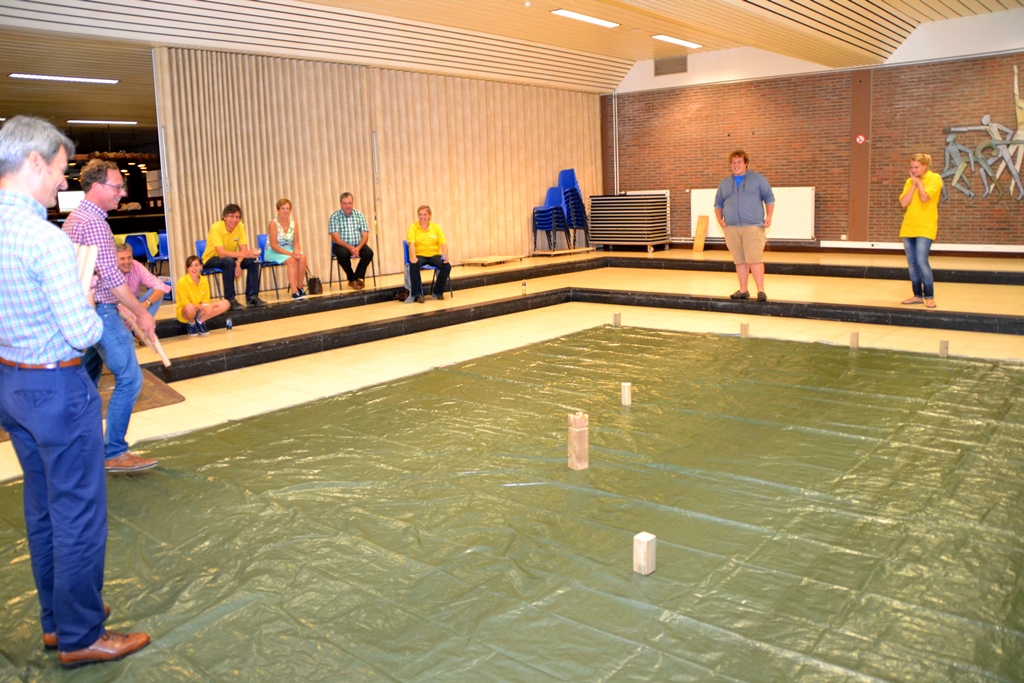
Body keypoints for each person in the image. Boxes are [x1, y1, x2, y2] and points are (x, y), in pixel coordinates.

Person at [0, 115, 150, 667]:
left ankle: (56, 620)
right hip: (56, 388)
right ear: (34, 162)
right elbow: (84, 332)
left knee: (42, 506)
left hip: (12, 381)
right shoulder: (44, 239)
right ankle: (82, 634)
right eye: (60, 171)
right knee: (78, 512)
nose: (63, 183)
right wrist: (85, 296)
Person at [63, 158, 158, 473]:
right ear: (96, 186)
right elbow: (112, 278)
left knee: (86, 383)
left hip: (85, 311)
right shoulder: (94, 223)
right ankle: (114, 451)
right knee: (130, 378)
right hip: (99, 312)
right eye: (117, 187)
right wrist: (140, 312)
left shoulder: (75, 219)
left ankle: (81, 448)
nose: (122, 193)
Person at [713, 150, 775, 302]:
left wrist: (769, 216)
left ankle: (761, 290)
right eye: (733, 162)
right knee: (739, 260)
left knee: (755, 259)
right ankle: (743, 290)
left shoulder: (758, 179)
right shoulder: (724, 183)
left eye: (739, 162)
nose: (736, 165)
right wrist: (719, 219)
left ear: (746, 163)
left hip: (753, 226)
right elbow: (718, 203)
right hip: (732, 228)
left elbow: (769, 198)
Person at [898, 153, 944, 309]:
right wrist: (913, 185)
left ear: (925, 166)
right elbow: (904, 203)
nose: (913, 170)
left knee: (921, 261)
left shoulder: (935, 178)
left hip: (925, 226)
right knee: (912, 263)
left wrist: (919, 182)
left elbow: (924, 198)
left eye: (916, 167)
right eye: (911, 167)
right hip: (909, 226)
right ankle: (917, 295)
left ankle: (929, 297)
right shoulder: (909, 181)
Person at [201, 204, 265, 310]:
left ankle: (252, 297)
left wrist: (238, 263)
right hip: (211, 258)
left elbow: (243, 249)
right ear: (224, 217)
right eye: (231, 216)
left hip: (231, 258)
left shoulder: (240, 226)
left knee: (254, 260)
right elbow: (221, 253)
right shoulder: (216, 227)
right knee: (229, 262)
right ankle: (230, 300)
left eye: (237, 217)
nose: (234, 220)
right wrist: (241, 256)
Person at [176, 255, 231, 336]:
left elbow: (206, 300)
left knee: (226, 303)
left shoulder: (204, 280)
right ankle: (191, 324)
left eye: (196, 265)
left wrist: (205, 306)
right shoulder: (182, 281)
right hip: (186, 312)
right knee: (189, 307)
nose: (194, 268)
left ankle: (200, 322)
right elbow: (185, 303)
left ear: (201, 267)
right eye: (191, 266)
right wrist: (202, 307)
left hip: (199, 309)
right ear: (186, 268)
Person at [328, 192, 373, 290]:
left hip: (358, 245)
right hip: (341, 245)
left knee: (368, 253)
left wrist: (358, 248)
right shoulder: (334, 217)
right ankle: (352, 278)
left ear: (353, 203)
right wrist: (349, 248)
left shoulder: (359, 215)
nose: (347, 206)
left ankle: (355, 278)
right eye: (344, 203)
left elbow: (365, 235)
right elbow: (335, 238)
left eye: (349, 203)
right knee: (342, 254)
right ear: (340, 204)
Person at [406, 205, 451, 303]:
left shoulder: (436, 227)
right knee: (413, 264)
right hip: (419, 255)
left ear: (430, 215)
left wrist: (445, 256)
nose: (422, 217)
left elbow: (443, 243)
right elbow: (411, 243)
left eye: (425, 214)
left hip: (434, 255)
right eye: (420, 215)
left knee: (446, 266)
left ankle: (438, 292)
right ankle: (417, 294)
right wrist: (413, 256)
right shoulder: (413, 227)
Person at [265, 198, 308, 300]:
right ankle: (294, 291)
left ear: (290, 210)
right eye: (282, 208)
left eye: (287, 208)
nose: (285, 211)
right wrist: (290, 254)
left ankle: (300, 288)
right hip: (273, 251)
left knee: (302, 258)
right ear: (278, 210)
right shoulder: (273, 223)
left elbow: (296, 242)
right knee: (292, 260)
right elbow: (274, 245)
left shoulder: (294, 223)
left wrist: (296, 251)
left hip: (289, 250)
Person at [115, 241, 170, 319]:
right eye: (122, 259)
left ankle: (143, 322)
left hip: (135, 304)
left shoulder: (136, 265)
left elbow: (160, 285)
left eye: (129, 257)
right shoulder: (110, 271)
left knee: (158, 291)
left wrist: (146, 304)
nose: (127, 261)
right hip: (116, 308)